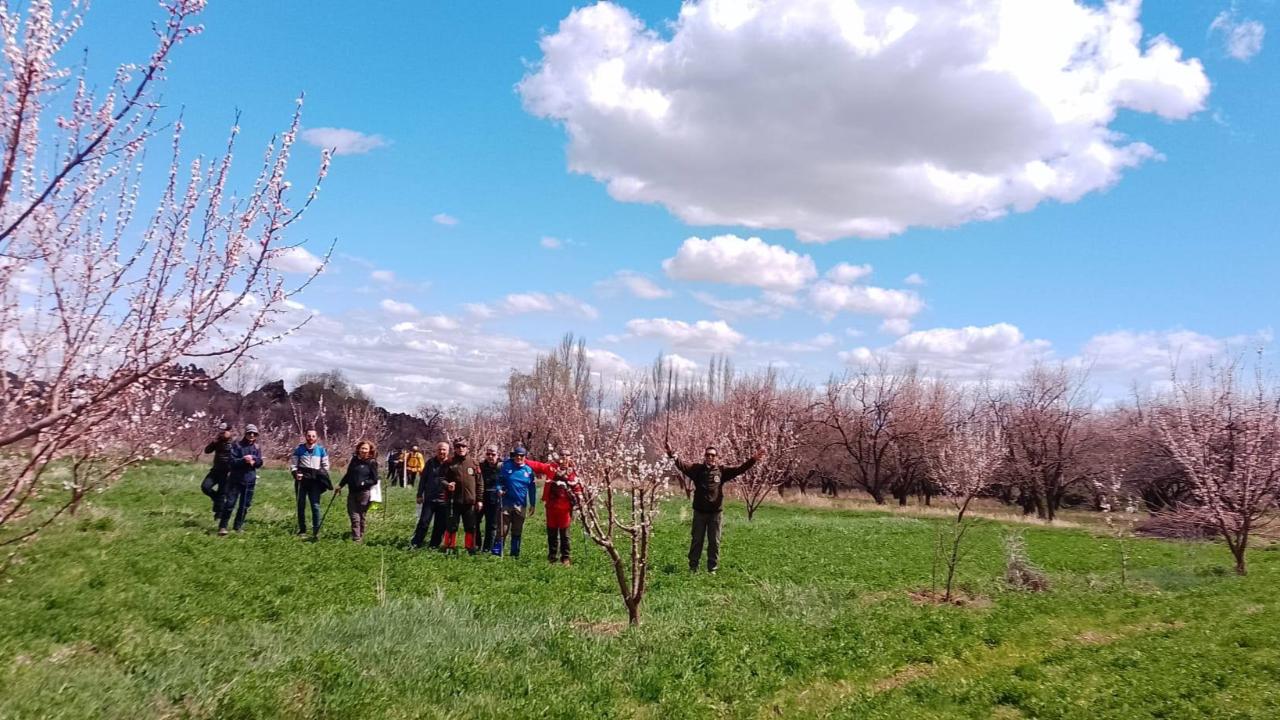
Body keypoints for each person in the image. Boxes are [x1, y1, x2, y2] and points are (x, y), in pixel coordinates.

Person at [665, 443, 764, 573]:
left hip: (715, 514)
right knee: (697, 540)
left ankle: (712, 568)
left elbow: (739, 469)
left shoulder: (722, 471)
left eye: (713, 455)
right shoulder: (696, 469)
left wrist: (753, 460)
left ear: (716, 457)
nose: (710, 457)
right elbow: (681, 465)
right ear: (704, 456)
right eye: (708, 455)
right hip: (699, 513)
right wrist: (670, 452)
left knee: (714, 541)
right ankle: (693, 567)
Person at [491, 446, 553, 558]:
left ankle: (514, 555)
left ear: (525, 457)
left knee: (517, 531)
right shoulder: (506, 466)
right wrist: (499, 489)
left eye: (521, 456)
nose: (519, 457)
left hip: (521, 505)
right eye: (517, 455)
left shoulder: (528, 471)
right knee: (502, 530)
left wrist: (533, 504)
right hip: (505, 504)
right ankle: (496, 553)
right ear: (514, 455)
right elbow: (499, 482)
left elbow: (532, 489)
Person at [218, 424, 264, 536]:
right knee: (230, 503)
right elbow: (232, 462)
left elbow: (260, 462)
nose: (252, 435)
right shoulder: (237, 445)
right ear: (246, 433)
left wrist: (254, 461)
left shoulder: (257, 448)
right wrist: (243, 460)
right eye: (249, 433)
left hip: (250, 480)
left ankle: (237, 526)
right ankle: (223, 526)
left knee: (245, 505)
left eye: (254, 433)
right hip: (236, 479)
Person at [539, 452, 581, 565]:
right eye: (562, 456)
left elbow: (578, 488)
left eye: (567, 456)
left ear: (570, 458)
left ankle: (565, 558)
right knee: (551, 534)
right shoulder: (552, 469)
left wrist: (579, 501)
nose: (564, 458)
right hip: (552, 507)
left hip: (565, 509)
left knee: (565, 535)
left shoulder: (573, 472)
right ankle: (552, 558)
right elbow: (537, 466)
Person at [444, 439, 484, 554]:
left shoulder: (474, 463)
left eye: (463, 446)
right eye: (458, 447)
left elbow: (480, 483)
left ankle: (470, 549)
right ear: (455, 448)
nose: (461, 449)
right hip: (454, 501)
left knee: (470, 526)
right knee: (452, 525)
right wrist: (447, 485)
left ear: (467, 448)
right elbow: (442, 479)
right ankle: (449, 548)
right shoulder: (449, 463)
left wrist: (480, 500)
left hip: (470, 502)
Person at [409, 441, 451, 549]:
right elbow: (423, 480)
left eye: (444, 449)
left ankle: (433, 546)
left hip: (444, 500)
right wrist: (419, 494)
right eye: (439, 449)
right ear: (436, 451)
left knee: (440, 525)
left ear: (448, 451)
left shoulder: (451, 464)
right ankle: (416, 543)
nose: (442, 451)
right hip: (430, 498)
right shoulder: (430, 463)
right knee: (423, 522)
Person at [291, 429, 332, 537]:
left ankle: (316, 530)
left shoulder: (321, 450)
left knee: (315, 506)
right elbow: (293, 464)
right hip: (301, 481)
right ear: (305, 436)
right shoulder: (299, 449)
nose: (311, 438)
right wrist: (296, 473)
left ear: (316, 437)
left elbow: (326, 466)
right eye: (309, 436)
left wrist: (320, 475)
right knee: (300, 505)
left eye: (313, 436)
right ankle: (302, 530)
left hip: (315, 482)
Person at [337, 440, 379, 542]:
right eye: (362, 448)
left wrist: (364, 483)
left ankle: (358, 536)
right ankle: (357, 535)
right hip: (352, 491)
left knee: (360, 515)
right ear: (358, 449)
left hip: (364, 493)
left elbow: (375, 479)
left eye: (366, 449)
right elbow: (348, 475)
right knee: (353, 514)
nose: (364, 450)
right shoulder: (354, 460)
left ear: (370, 451)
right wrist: (340, 485)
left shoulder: (372, 462)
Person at [201, 423, 234, 519]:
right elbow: (207, 451)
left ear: (230, 431)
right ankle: (219, 503)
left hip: (227, 472)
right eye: (221, 431)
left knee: (222, 493)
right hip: (215, 470)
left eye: (225, 431)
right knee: (205, 487)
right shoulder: (217, 442)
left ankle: (219, 515)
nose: (222, 433)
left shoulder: (234, 444)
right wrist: (213, 442)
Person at [479, 445, 503, 552]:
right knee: (475, 522)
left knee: (491, 525)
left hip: (495, 499)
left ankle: (487, 549)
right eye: (488, 454)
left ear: (498, 455)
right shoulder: (481, 466)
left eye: (493, 454)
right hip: (481, 498)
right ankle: (476, 545)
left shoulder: (502, 467)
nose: (490, 456)